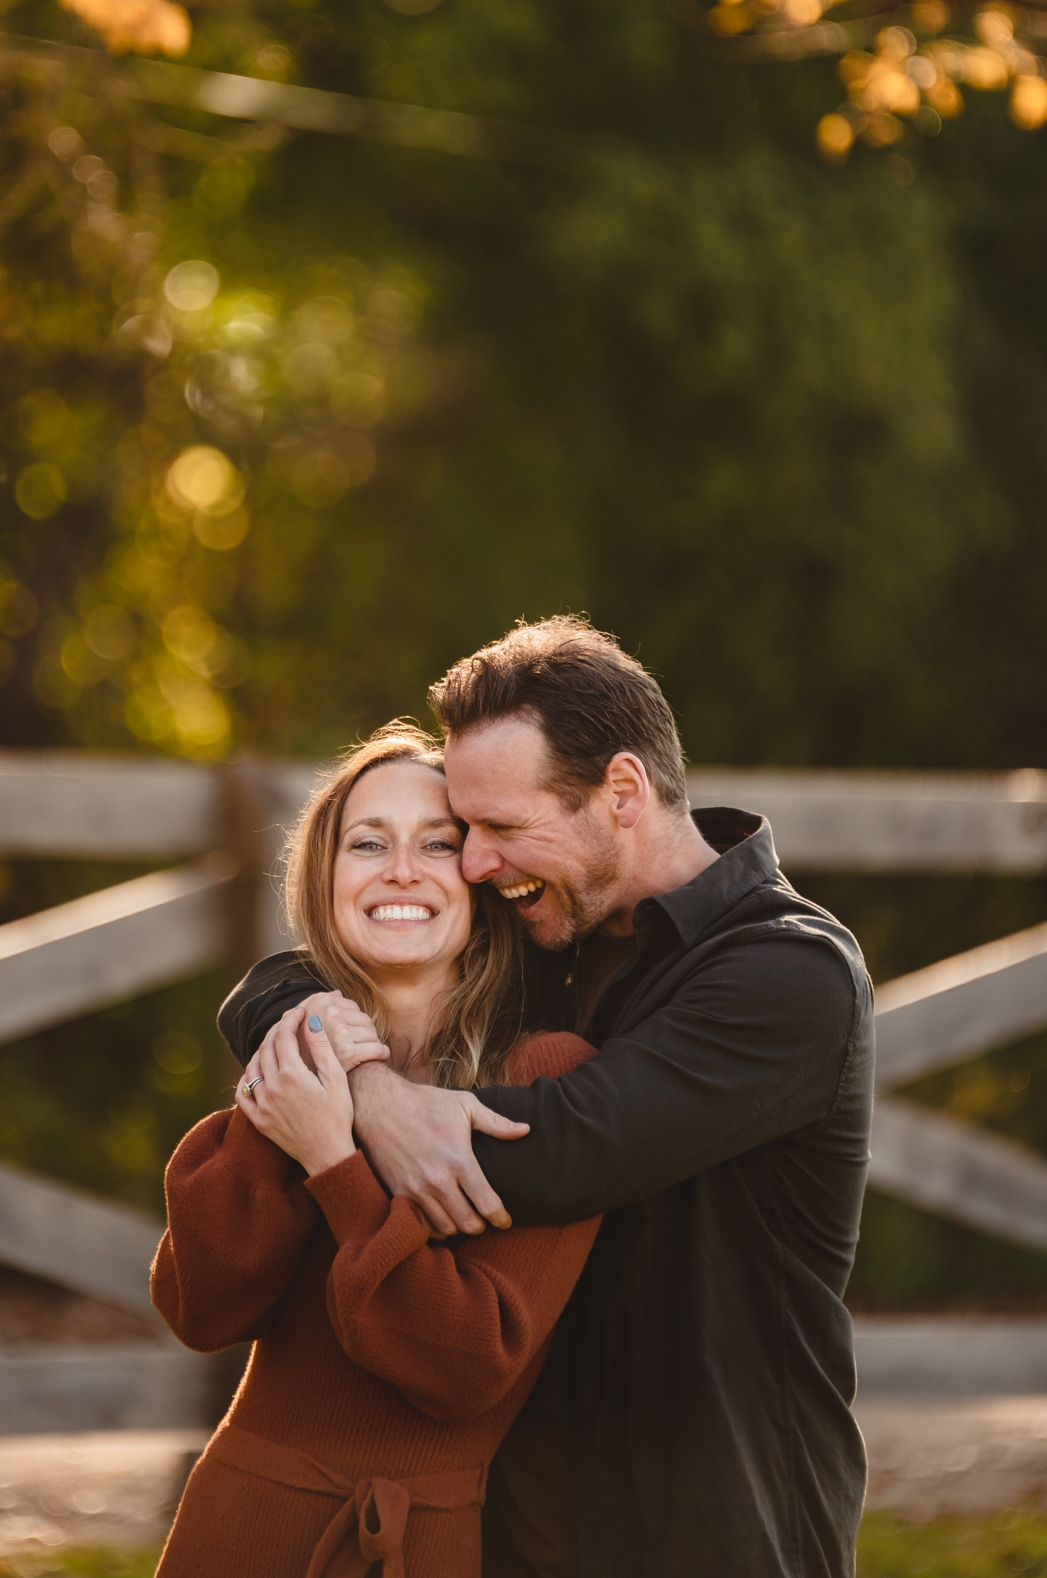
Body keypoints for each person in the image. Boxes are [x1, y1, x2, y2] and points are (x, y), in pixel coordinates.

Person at [221, 616, 876, 1578]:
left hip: (713, 1530)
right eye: (465, 832)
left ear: (620, 792)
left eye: (501, 828)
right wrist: (368, 1084)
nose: (475, 865)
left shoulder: (787, 975)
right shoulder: (545, 929)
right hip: (515, 1527)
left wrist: (355, 1118)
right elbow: (280, 982)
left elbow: (562, 1148)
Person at [151, 721, 603, 1578]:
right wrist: (299, 1087)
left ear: (479, 881)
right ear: (326, 880)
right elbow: (199, 1308)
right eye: (368, 843)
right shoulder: (298, 1051)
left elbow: (466, 1367)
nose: (401, 869)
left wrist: (334, 1164)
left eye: (437, 844)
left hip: (408, 1541)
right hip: (235, 1522)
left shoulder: (541, 1075)